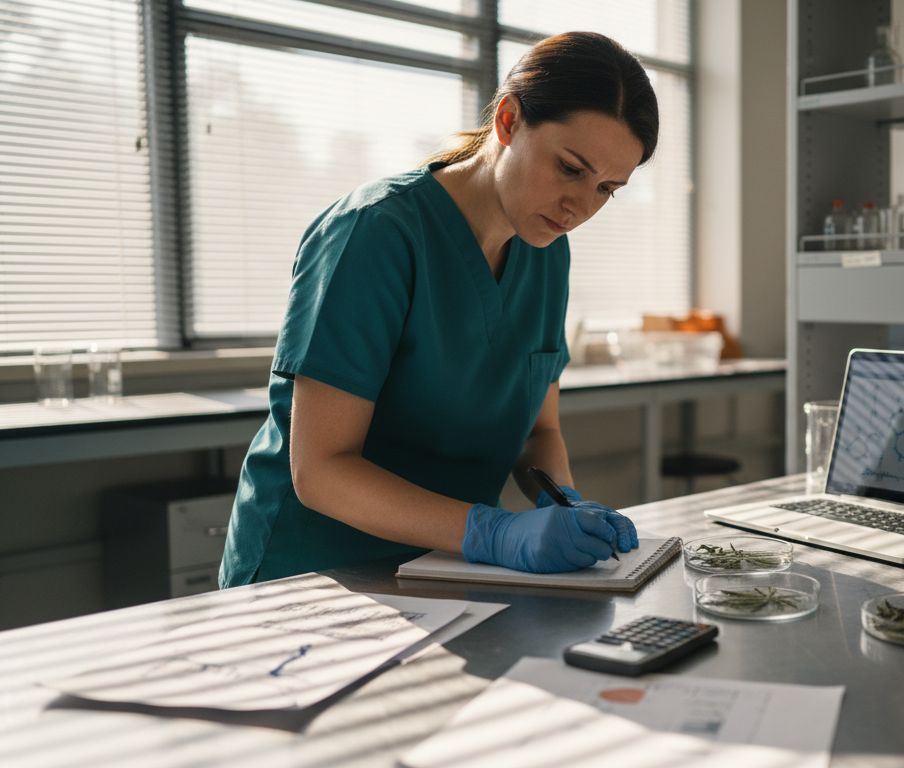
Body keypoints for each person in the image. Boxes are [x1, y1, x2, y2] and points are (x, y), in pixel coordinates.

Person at [219, 31, 658, 587]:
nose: (580, 207)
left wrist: (561, 502)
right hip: (313, 572)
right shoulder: (377, 233)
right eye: (571, 168)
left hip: (442, 568)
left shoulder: (547, 251)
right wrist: (496, 533)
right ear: (507, 120)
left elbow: (536, 432)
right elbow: (321, 471)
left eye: (607, 189)